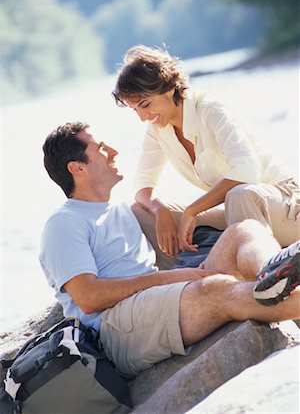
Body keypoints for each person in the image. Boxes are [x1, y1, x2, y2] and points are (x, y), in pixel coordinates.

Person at [40, 121, 300, 378]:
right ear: (77, 168)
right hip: (116, 328)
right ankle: (282, 293)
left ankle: (274, 275)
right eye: (101, 148)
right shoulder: (64, 223)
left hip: (159, 301)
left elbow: (154, 200)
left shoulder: (119, 210)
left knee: (243, 230)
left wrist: (161, 209)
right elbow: (88, 298)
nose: (114, 151)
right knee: (216, 289)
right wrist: (170, 278)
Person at [112, 45, 300, 269]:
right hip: (237, 212)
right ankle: (184, 279)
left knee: (240, 194)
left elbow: (246, 172)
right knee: (141, 210)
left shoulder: (211, 109)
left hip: (285, 205)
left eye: (145, 105)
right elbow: (143, 184)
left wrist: (193, 210)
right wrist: (159, 209)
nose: (143, 117)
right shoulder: (158, 129)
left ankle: (260, 275)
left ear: (169, 88)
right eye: (136, 110)